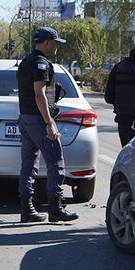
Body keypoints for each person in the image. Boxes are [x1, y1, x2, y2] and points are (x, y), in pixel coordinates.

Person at [16, 27, 78, 223]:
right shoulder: (40, 63)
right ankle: (55, 209)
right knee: (55, 163)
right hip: (38, 120)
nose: (57, 47)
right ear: (47, 43)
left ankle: (27, 210)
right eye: (55, 43)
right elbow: (39, 93)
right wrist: (49, 122)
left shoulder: (26, 61)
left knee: (28, 165)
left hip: (25, 118)